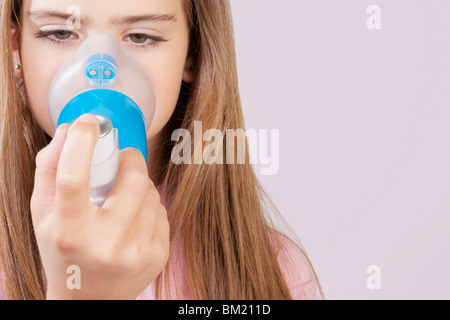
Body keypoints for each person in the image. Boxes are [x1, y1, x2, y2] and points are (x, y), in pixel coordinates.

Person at [0, 0, 323, 300]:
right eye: (59, 32)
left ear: (192, 53)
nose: (100, 73)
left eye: (141, 36)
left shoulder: (265, 268)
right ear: (15, 48)